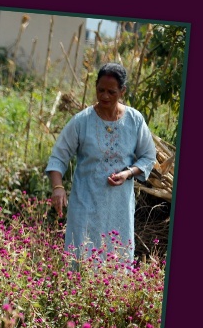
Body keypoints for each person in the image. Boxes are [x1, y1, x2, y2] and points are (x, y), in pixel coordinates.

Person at [45, 62, 158, 263]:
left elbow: (148, 156)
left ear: (122, 91)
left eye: (111, 92)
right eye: (101, 90)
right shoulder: (82, 121)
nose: (105, 96)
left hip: (119, 207)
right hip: (85, 204)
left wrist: (128, 173)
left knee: (116, 259)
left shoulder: (135, 120)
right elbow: (58, 157)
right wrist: (58, 188)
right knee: (81, 259)